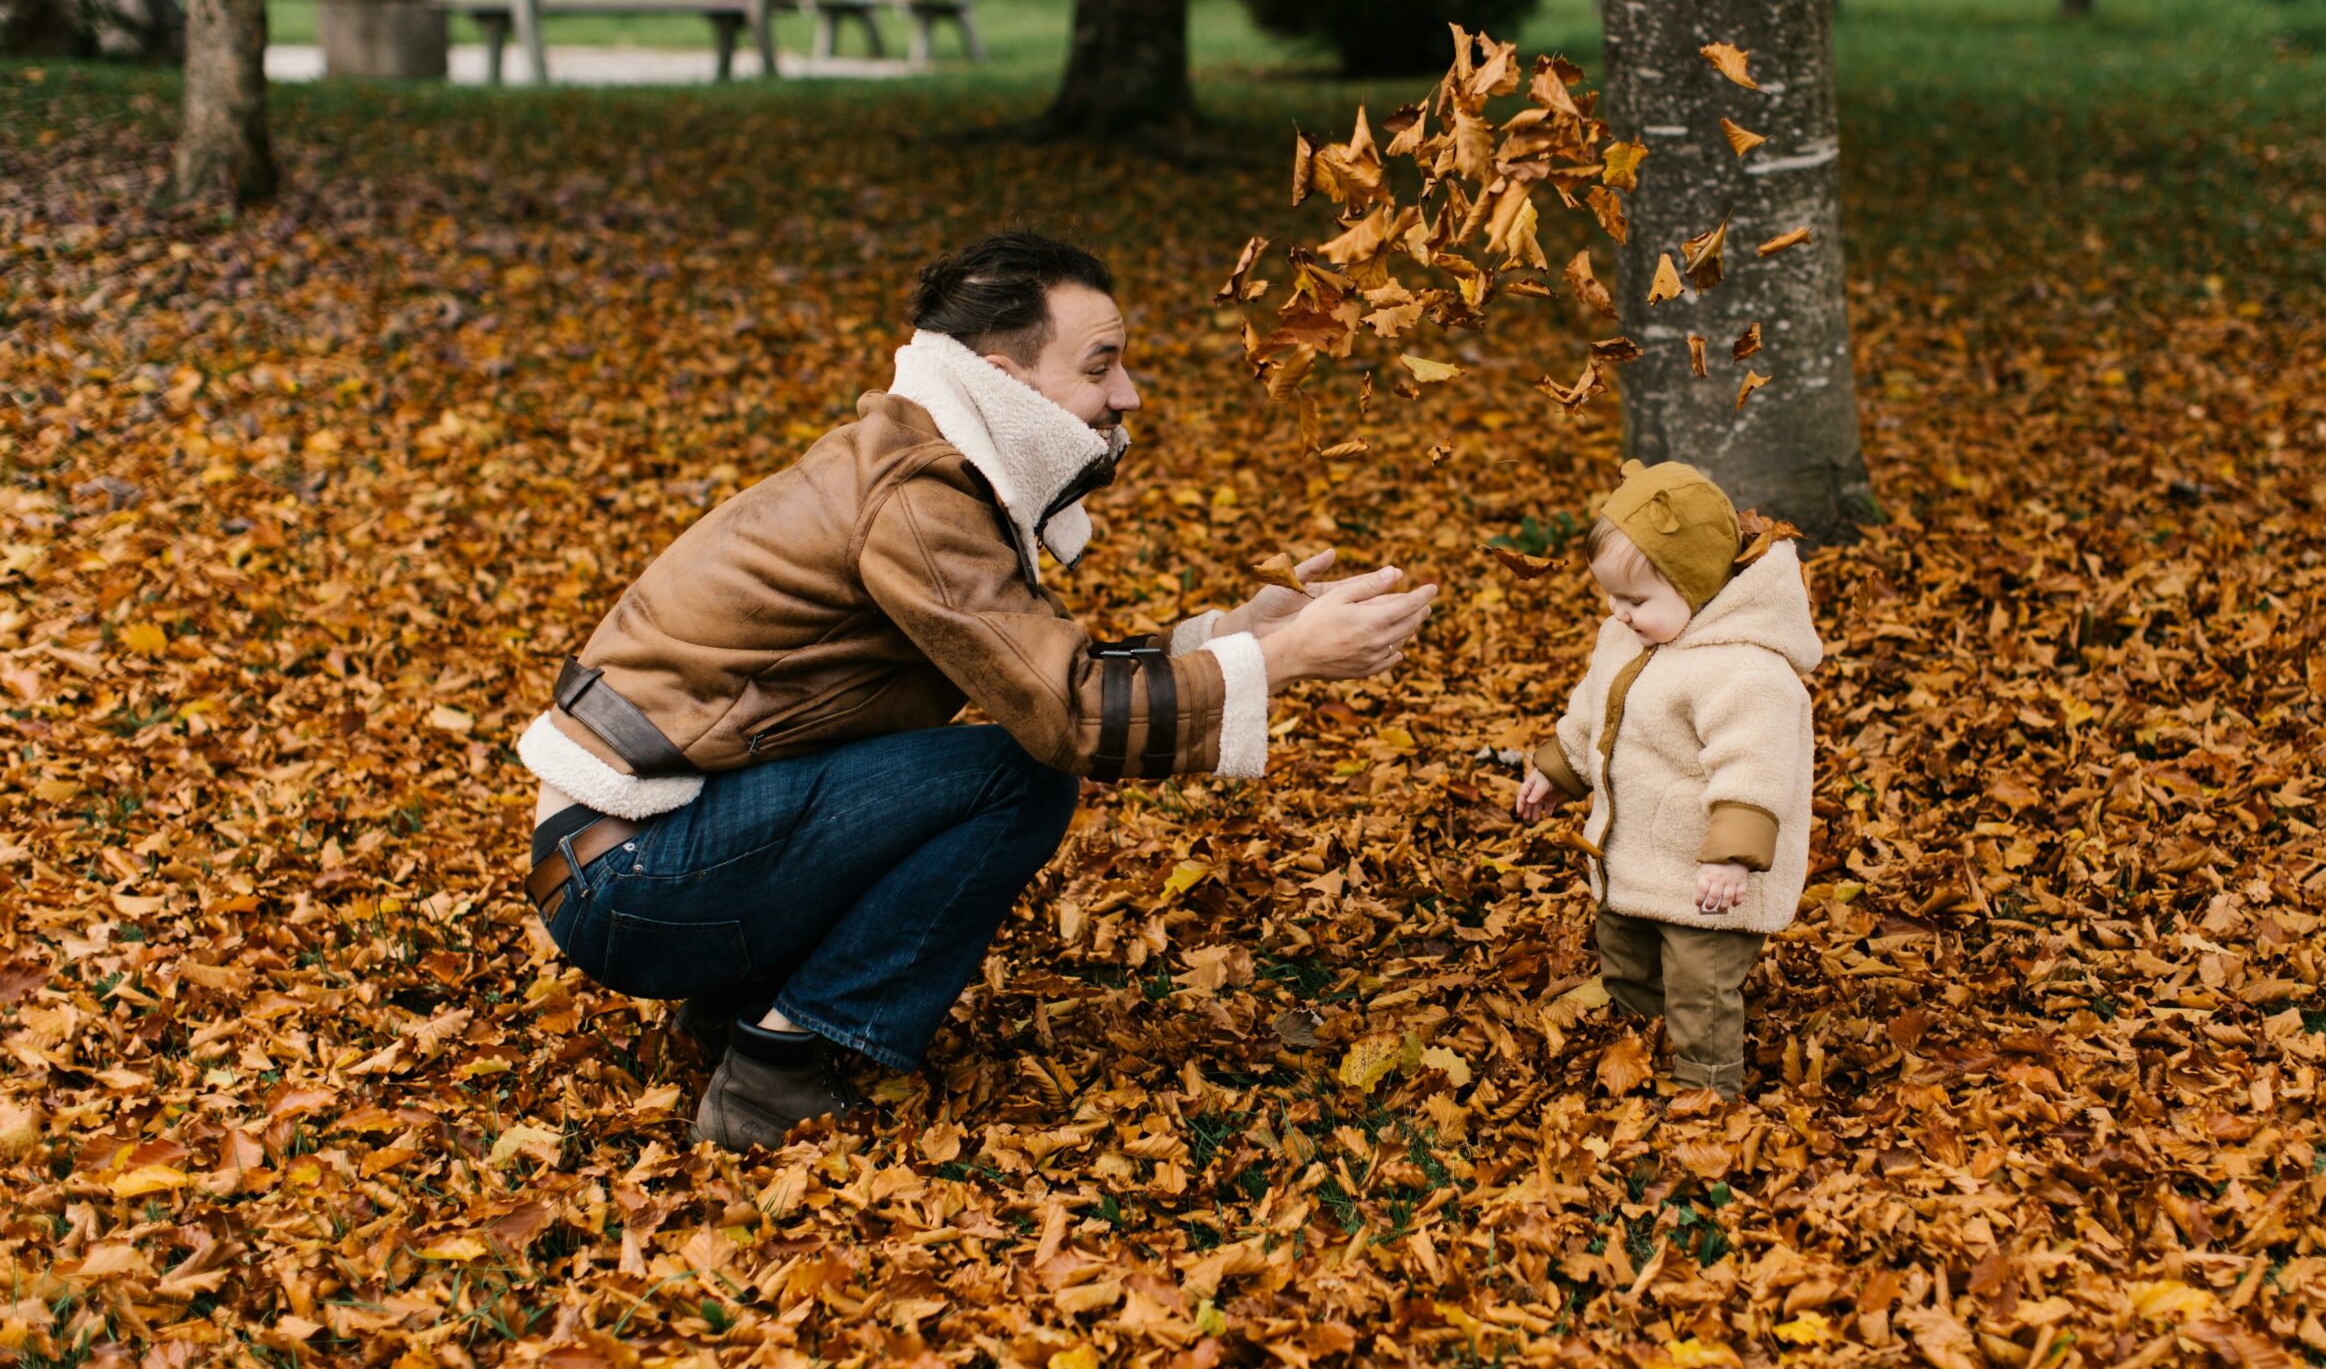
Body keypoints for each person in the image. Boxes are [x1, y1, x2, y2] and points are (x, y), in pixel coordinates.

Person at [516, 231, 1438, 1150]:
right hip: (627, 883)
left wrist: (1237, 634)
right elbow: (1065, 716)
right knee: (1023, 776)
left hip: (633, 856)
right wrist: (1285, 662)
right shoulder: (920, 492)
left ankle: (739, 1006)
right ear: (1006, 377)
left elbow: (1031, 673)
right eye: (1101, 365)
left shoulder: (922, 462)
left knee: (991, 763)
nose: (1128, 395)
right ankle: (773, 1067)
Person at [1513, 461, 1821, 1098]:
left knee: (1698, 985)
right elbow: (1593, 711)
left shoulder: (1745, 670)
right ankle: (1637, 1045)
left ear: (1698, 586)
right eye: (1610, 595)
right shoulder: (1626, 641)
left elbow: (1755, 765)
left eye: (1635, 600)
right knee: (1624, 954)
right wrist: (1558, 770)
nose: (1616, 613)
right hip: (1634, 857)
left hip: (1707, 877)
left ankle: (1705, 1088)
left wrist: (1734, 858)